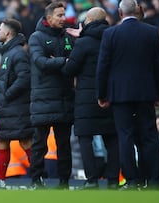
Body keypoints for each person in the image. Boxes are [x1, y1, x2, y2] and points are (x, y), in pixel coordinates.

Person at [96, 0, 159, 190]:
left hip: (120, 94)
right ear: (138, 10)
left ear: (119, 12)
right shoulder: (151, 32)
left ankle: (132, 180)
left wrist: (102, 94)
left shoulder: (110, 34)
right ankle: (153, 179)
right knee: (149, 135)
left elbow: (103, 67)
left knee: (124, 137)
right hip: (145, 93)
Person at [62, 7, 120, 189]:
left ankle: (92, 180)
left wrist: (64, 61)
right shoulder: (113, 39)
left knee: (85, 139)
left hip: (86, 100)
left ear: (88, 20)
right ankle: (112, 180)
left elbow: (70, 69)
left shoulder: (84, 42)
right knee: (112, 139)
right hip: (110, 96)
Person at [0, 18, 33, 189]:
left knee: (26, 142)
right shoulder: (9, 52)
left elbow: (25, 78)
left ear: (8, 33)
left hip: (16, 107)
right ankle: (0, 180)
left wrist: (7, 95)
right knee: (1, 141)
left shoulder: (17, 53)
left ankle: (38, 179)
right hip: (7, 108)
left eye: (0, 29)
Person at [28, 2, 75, 189]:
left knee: (64, 145)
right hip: (43, 100)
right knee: (40, 144)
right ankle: (36, 180)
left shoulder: (68, 37)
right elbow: (40, 62)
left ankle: (64, 182)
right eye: (59, 15)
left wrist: (57, 61)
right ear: (48, 19)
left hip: (65, 98)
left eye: (64, 15)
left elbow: (76, 61)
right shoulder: (36, 37)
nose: (64, 18)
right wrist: (65, 61)